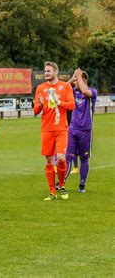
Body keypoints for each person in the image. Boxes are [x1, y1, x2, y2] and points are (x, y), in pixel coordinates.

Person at [33, 61, 75, 201]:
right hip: (46, 129)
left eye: (49, 71)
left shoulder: (65, 86)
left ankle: (62, 186)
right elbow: (36, 111)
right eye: (45, 71)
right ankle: (52, 192)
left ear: (56, 72)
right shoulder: (40, 88)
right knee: (49, 160)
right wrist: (39, 104)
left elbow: (72, 105)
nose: (46, 73)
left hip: (61, 129)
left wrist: (59, 102)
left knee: (62, 158)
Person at [66, 68, 97, 193]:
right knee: (68, 157)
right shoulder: (72, 92)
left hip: (86, 131)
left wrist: (79, 77)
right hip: (72, 129)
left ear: (83, 80)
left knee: (84, 158)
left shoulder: (92, 92)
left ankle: (82, 185)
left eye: (77, 80)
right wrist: (73, 77)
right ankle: (61, 183)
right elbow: (63, 88)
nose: (75, 83)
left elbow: (85, 91)